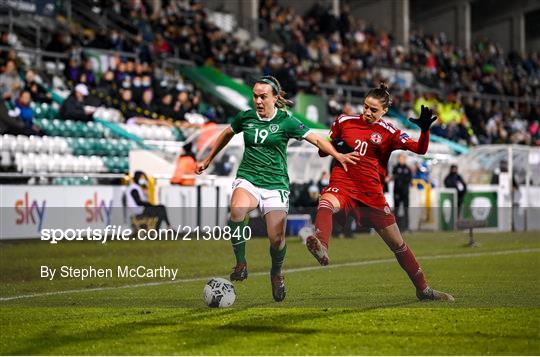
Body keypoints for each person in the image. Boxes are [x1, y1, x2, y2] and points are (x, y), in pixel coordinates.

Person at [195, 75, 359, 302]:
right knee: (237, 210)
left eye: (263, 97)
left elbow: (317, 139)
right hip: (249, 178)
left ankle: (276, 274)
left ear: (275, 98)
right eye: (255, 96)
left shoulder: (286, 121)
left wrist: (338, 154)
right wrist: (208, 159)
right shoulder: (246, 117)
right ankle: (241, 263)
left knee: (277, 240)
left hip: (275, 184)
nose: (258, 101)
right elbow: (226, 134)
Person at [305, 83, 454, 302]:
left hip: (371, 195)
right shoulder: (344, 121)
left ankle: (424, 290)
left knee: (398, 244)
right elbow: (322, 151)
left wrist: (425, 130)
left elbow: (420, 149)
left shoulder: (389, 132)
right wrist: (336, 146)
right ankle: (322, 247)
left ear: (384, 111)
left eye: (373, 110)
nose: (367, 112)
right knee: (326, 201)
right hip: (344, 183)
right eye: (365, 107)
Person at [391, 153, 412, 230]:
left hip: (405, 193)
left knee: (406, 210)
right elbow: (394, 178)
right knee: (396, 210)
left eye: (403, 158)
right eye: (400, 158)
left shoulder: (408, 169)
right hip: (397, 193)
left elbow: (409, 180)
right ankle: (396, 227)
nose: (401, 160)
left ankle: (406, 226)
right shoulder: (396, 168)